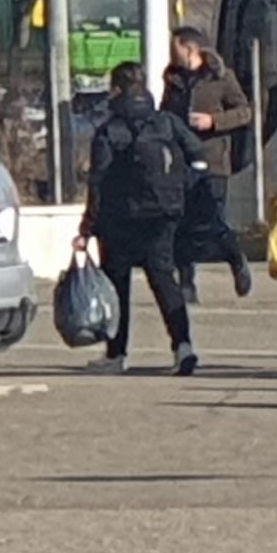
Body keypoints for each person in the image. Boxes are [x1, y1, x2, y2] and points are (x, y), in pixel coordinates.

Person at [78, 62, 204, 376]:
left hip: (121, 220)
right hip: (163, 214)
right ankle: (183, 346)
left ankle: (117, 353)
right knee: (164, 280)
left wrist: (87, 227)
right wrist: (183, 187)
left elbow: (99, 183)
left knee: (117, 285)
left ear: (117, 89)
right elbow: (197, 153)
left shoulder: (110, 129)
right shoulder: (166, 122)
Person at [161, 28, 255, 300]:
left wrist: (214, 121)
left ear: (191, 49)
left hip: (213, 160)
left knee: (213, 221)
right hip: (182, 162)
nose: (171, 52)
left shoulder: (221, 77)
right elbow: (166, 111)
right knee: (181, 222)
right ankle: (187, 282)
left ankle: (236, 259)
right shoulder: (173, 78)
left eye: (175, 46)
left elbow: (244, 111)